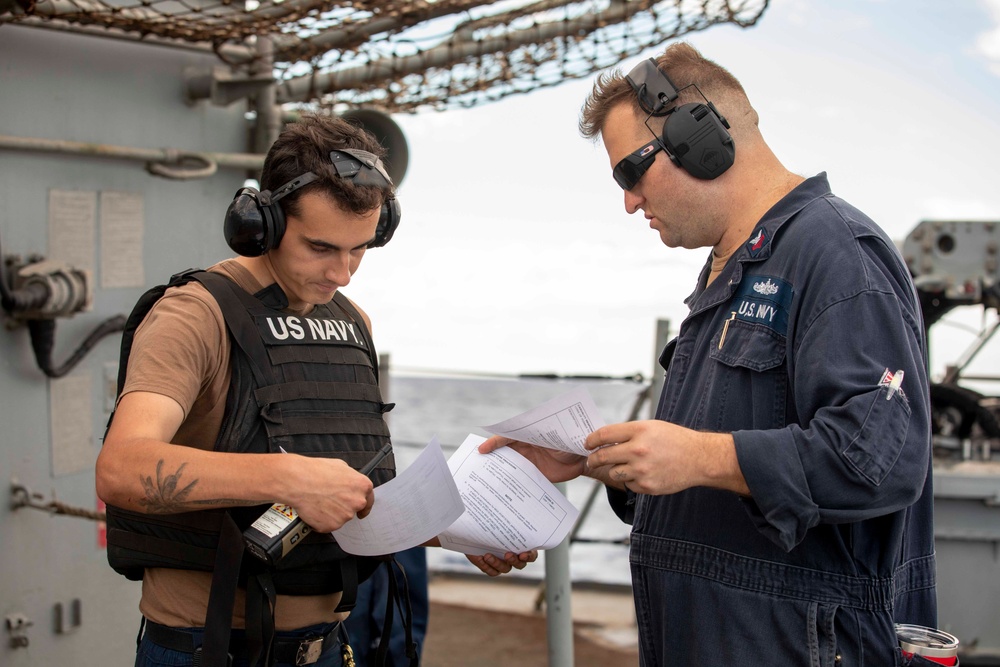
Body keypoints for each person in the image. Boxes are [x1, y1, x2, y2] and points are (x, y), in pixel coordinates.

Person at [481, 42, 937, 666]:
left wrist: (703, 455)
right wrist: (598, 462)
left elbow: (882, 460)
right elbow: (703, 475)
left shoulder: (836, 251)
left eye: (630, 172)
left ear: (701, 139)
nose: (628, 202)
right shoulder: (732, 273)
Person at [96, 113, 535, 667]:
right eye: (322, 248)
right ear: (263, 222)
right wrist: (287, 477)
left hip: (326, 649)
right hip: (208, 650)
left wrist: (454, 532)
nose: (344, 273)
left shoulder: (354, 323)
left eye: (359, 250)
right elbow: (121, 467)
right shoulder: (194, 316)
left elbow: (344, 497)